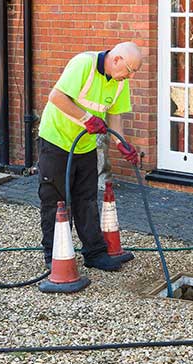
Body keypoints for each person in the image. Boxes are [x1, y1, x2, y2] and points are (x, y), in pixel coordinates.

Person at [36, 42, 142, 271]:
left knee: (86, 200)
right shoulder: (84, 64)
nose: (129, 77)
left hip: (84, 146)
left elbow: (114, 116)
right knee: (56, 201)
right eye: (130, 71)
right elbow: (56, 97)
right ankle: (54, 257)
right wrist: (86, 119)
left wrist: (121, 144)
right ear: (117, 60)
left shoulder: (118, 82)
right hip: (56, 141)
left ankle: (95, 253)